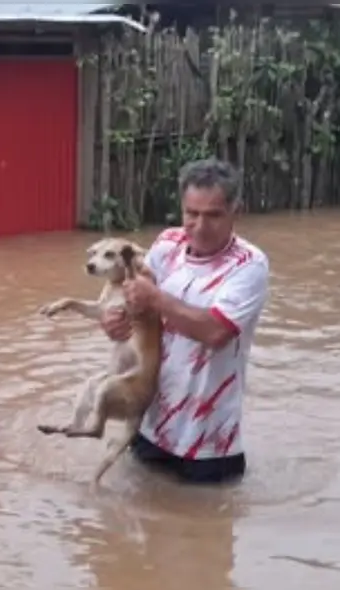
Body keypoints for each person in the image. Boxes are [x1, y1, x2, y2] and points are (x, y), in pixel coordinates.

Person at [101, 158, 269, 484]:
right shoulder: (166, 245)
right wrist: (113, 321)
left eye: (213, 215)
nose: (200, 226)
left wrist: (155, 298)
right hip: (149, 427)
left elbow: (216, 331)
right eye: (192, 214)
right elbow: (135, 306)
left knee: (207, 518)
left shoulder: (249, 265)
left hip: (210, 444)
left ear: (236, 211)